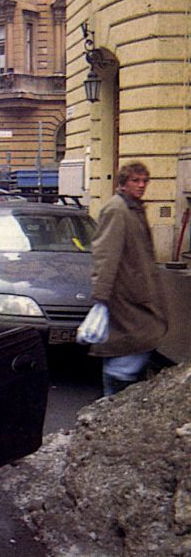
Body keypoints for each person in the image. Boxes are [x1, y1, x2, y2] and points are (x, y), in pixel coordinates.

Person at [89, 161, 168, 396]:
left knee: (135, 346)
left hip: (136, 293)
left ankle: (117, 398)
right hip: (124, 295)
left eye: (144, 181)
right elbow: (105, 255)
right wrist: (101, 297)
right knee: (131, 347)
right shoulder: (117, 210)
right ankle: (111, 400)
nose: (141, 185)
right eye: (135, 180)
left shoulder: (133, 208)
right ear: (123, 184)